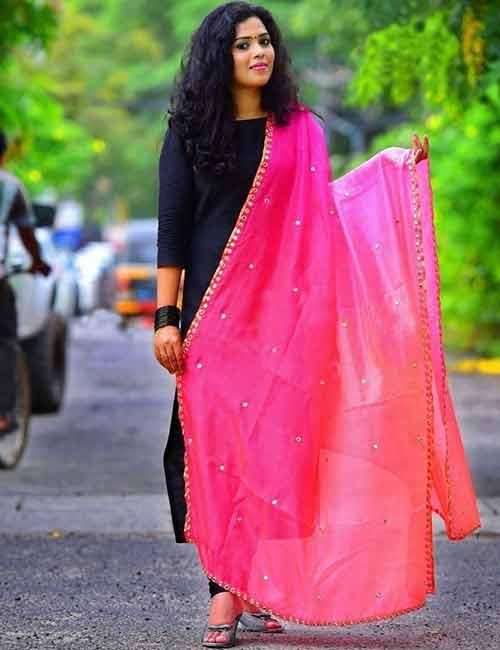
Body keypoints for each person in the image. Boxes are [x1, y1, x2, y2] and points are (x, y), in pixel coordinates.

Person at [154, 3, 479, 648]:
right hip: (213, 319)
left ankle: (259, 582)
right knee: (212, 448)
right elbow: (174, 225)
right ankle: (224, 588)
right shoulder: (190, 130)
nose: (259, 53)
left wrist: (393, 171)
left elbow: (325, 213)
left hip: (287, 321)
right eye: (243, 44)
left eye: (265, 42)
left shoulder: (298, 128)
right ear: (218, 56)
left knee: (278, 450)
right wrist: (166, 316)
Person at [0, 130, 51, 435]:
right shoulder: (9, 186)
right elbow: (27, 235)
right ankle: (4, 414)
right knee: (5, 342)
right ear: (4, 155)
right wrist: (38, 262)